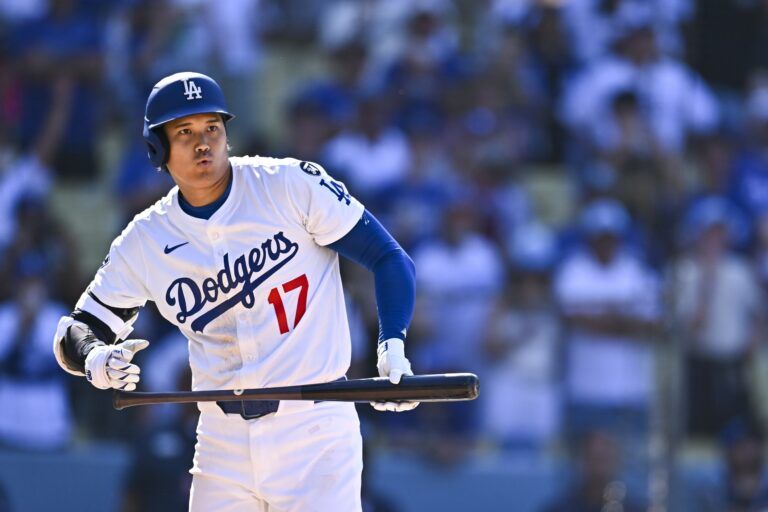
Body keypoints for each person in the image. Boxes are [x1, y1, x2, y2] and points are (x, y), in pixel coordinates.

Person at [52, 71, 418, 511]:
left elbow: (390, 257)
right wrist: (95, 358)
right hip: (220, 443)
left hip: (316, 431)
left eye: (212, 127)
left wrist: (391, 345)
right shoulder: (145, 239)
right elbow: (77, 329)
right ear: (157, 147)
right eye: (184, 132)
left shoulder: (289, 184)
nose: (203, 142)